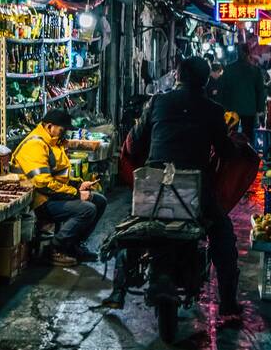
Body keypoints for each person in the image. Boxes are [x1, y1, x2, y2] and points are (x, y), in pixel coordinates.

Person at [103, 57, 241, 315]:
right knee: (223, 235)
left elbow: (137, 142)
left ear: (177, 75)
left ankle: (117, 291)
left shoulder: (157, 102)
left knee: (133, 226)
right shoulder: (213, 110)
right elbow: (224, 151)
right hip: (194, 189)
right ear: (206, 79)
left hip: (155, 184)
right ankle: (228, 302)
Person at [11, 109, 107, 266]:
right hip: (39, 200)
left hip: (52, 194)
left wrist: (78, 184)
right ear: (50, 127)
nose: (65, 134)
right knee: (87, 209)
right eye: (63, 130)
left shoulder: (54, 143)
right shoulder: (35, 145)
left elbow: (59, 175)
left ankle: (72, 246)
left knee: (99, 201)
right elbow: (43, 183)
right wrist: (76, 194)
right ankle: (56, 248)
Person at [217, 42, 266, 137]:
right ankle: (245, 152)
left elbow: (221, 89)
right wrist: (260, 110)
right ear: (248, 54)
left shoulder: (229, 69)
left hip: (231, 109)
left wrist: (221, 107)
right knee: (247, 137)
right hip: (249, 109)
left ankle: (231, 151)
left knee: (230, 135)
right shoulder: (255, 70)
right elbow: (260, 92)